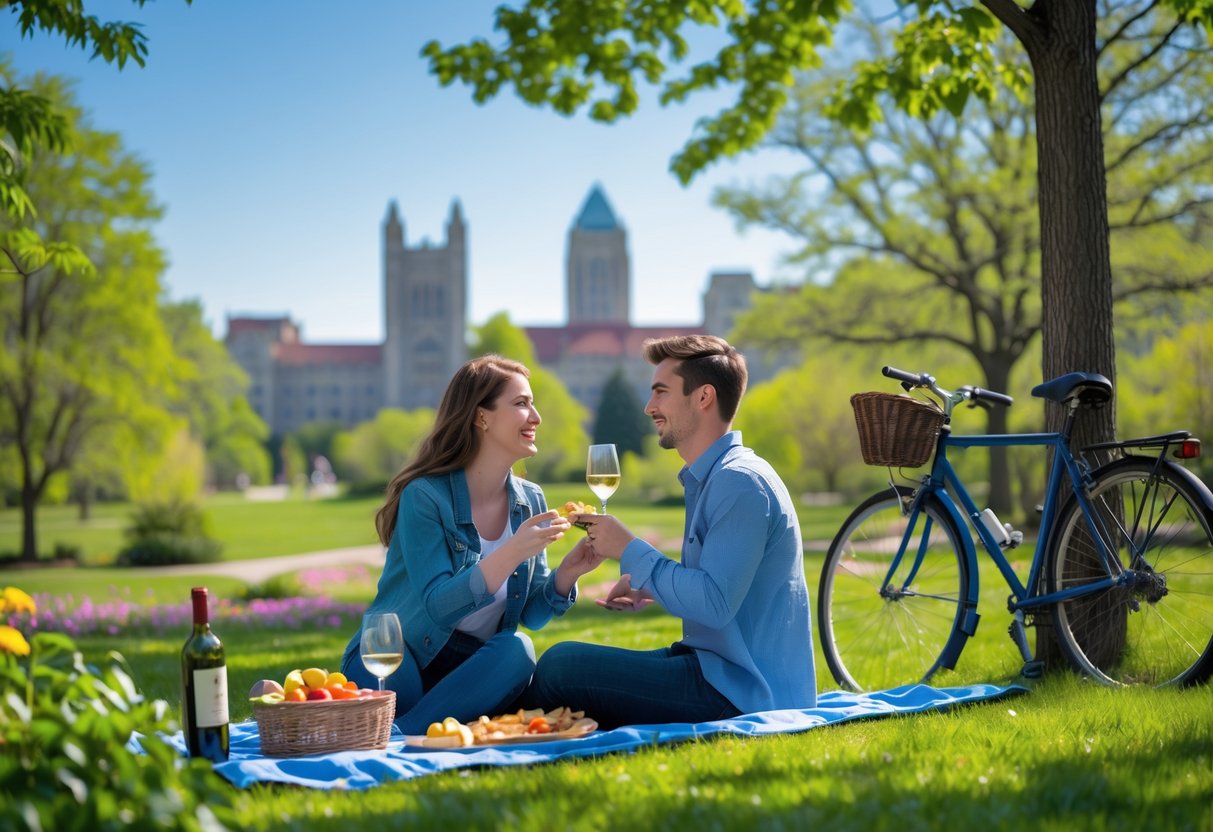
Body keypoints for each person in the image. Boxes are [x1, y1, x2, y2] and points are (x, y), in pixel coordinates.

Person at [524, 335, 815, 728]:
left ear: (703, 397)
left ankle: (495, 734)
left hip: (741, 694)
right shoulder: (713, 477)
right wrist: (648, 586)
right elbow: (719, 589)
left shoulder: (739, 482)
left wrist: (629, 549)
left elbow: (714, 603)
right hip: (711, 668)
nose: (649, 407)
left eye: (661, 393)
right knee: (564, 666)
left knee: (561, 666)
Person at [340, 355, 605, 734]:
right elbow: (439, 606)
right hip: (395, 657)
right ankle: (424, 728)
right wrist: (514, 549)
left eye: (532, 403)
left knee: (518, 650)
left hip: (469, 670)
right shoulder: (426, 497)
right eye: (521, 403)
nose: (536, 416)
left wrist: (568, 573)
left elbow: (531, 615)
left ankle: (404, 734)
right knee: (401, 686)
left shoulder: (530, 500)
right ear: (482, 417)